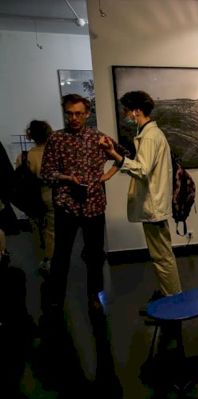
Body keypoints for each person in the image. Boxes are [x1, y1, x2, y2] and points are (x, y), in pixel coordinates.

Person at [40, 93, 126, 316]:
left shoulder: (98, 137)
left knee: (95, 255)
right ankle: (56, 299)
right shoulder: (56, 139)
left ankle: (94, 295)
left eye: (78, 114)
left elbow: (123, 155)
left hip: (93, 204)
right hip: (66, 205)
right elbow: (46, 173)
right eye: (70, 114)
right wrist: (67, 178)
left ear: (87, 114)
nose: (74, 118)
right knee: (61, 255)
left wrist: (107, 175)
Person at [100, 90, 182, 302]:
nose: (125, 115)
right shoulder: (149, 134)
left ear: (136, 111)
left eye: (126, 110)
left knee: (161, 256)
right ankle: (169, 293)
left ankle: (173, 298)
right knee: (162, 254)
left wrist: (115, 156)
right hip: (154, 203)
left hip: (154, 206)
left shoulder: (150, 137)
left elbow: (142, 169)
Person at [15, 120, 54, 275]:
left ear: (30, 135)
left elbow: (19, 179)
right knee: (51, 229)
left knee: (36, 229)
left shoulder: (23, 157)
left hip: (31, 197)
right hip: (49, 194)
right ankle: (51, 259)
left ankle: (42, 258)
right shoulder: (52, 155)